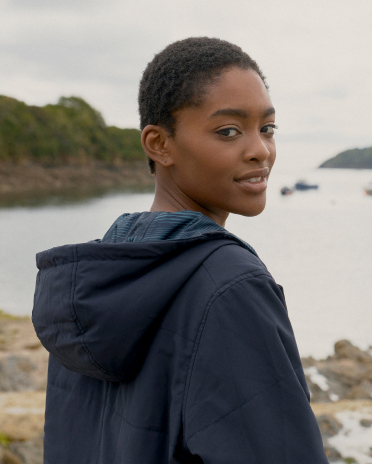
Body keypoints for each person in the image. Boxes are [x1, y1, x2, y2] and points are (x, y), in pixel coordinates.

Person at [32, 37, 328, 464]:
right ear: (159, 144)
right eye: (228, 131)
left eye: (267, 128)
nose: (260, 150)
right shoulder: (231, 285)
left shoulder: (92, 279)